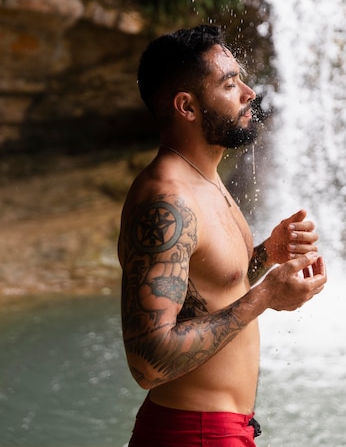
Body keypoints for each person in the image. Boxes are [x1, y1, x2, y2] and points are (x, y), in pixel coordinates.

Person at [118, 24, 327, 446]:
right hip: (192, 433)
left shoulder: (204, 179)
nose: (249, 93)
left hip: (222, 429)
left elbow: (201, 288)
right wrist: (265, 296)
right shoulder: (166, 202)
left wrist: (266, 253)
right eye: (230, 84)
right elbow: (148, 363)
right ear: (187, 107)